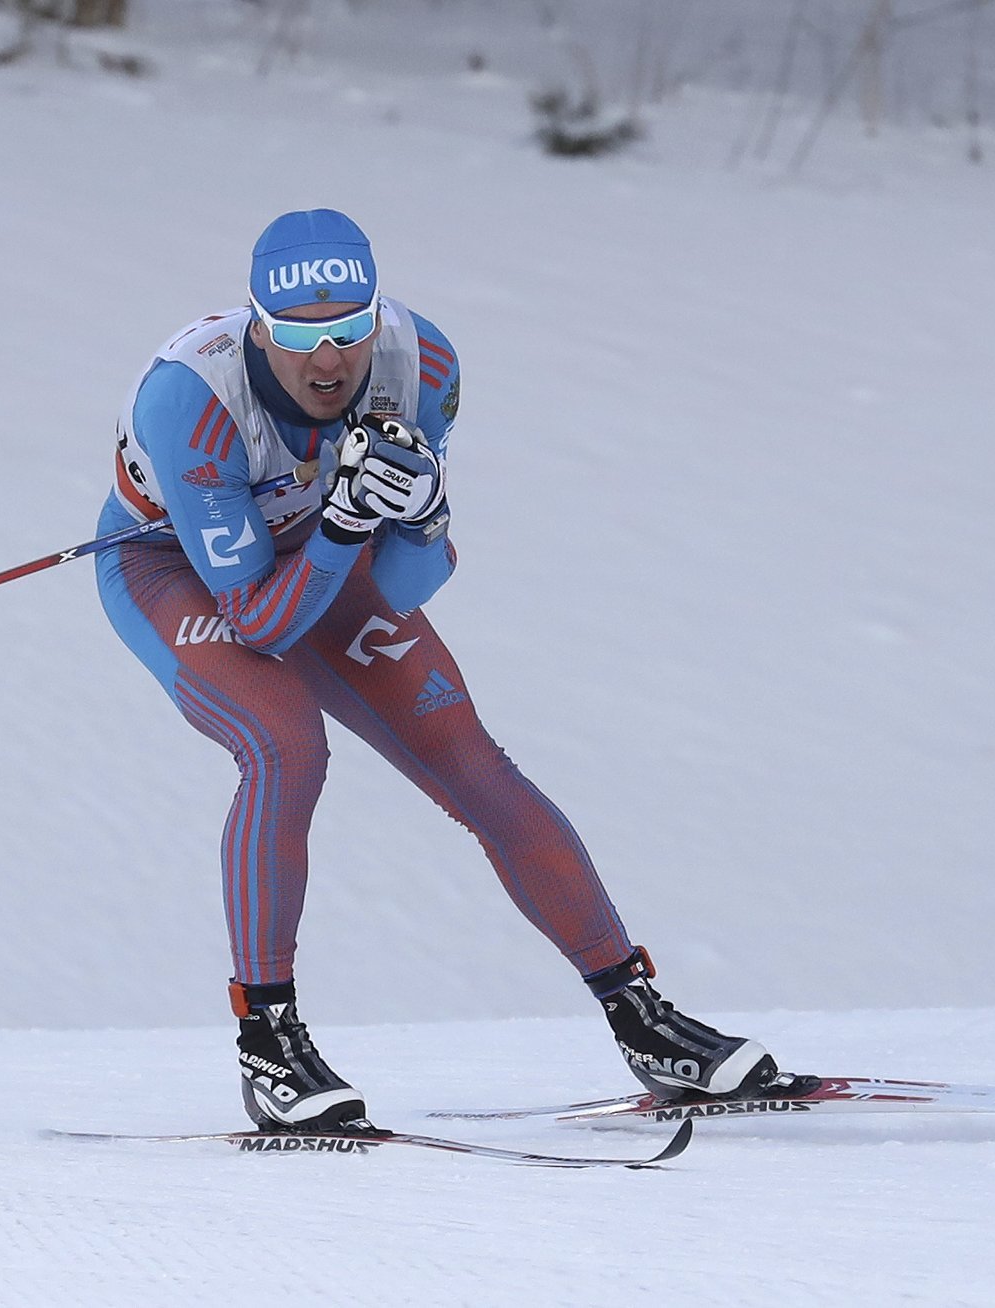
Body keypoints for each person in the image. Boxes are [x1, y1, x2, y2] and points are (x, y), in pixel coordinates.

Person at [93, 209, 803, 1131]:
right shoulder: (188, 401)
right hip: (180, 571)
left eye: (347, 333)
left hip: (320, 553)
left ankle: (643, 1021)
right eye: (301, 338)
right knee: (285, 747)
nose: (327, 363)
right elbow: (260, 625)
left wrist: (422, 516)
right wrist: (351, 523)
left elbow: (404, 584)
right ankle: (268, 1045)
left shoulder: (421, 363)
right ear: (258, 326)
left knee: (473, 760)